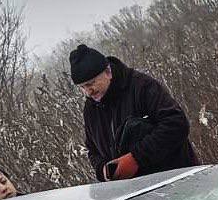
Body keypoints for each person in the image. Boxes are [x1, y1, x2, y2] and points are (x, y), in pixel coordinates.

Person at [70, 44, 199, 182]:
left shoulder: (141, 87)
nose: (88, 91)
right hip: (133, 194)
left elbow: (177, 124)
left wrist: (136, 158)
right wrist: (103, 170)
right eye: (82, 87)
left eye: (91, 83)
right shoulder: (90, 109)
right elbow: (93, 150)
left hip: (179, 183)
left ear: (108, 72)